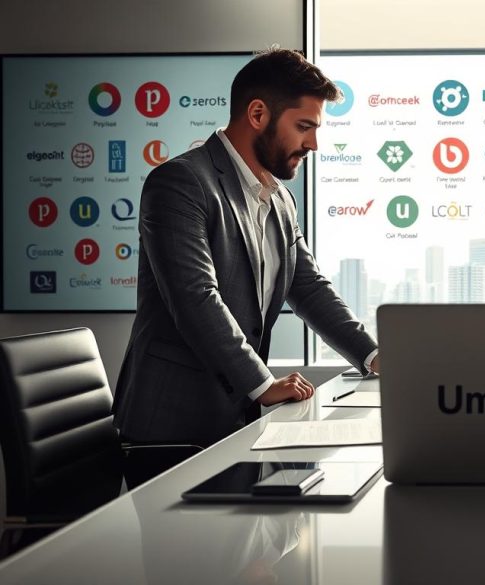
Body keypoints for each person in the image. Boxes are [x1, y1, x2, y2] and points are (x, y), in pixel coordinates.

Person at [113, 48, 379, 447]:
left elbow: (308, 287)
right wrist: (262, 383)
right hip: (169, 426)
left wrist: (374, 358)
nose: (314, 144)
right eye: (304, 126)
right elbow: (195, 297)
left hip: (234, 418)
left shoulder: (279, 199)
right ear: (257, 115)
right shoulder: (180, 183)